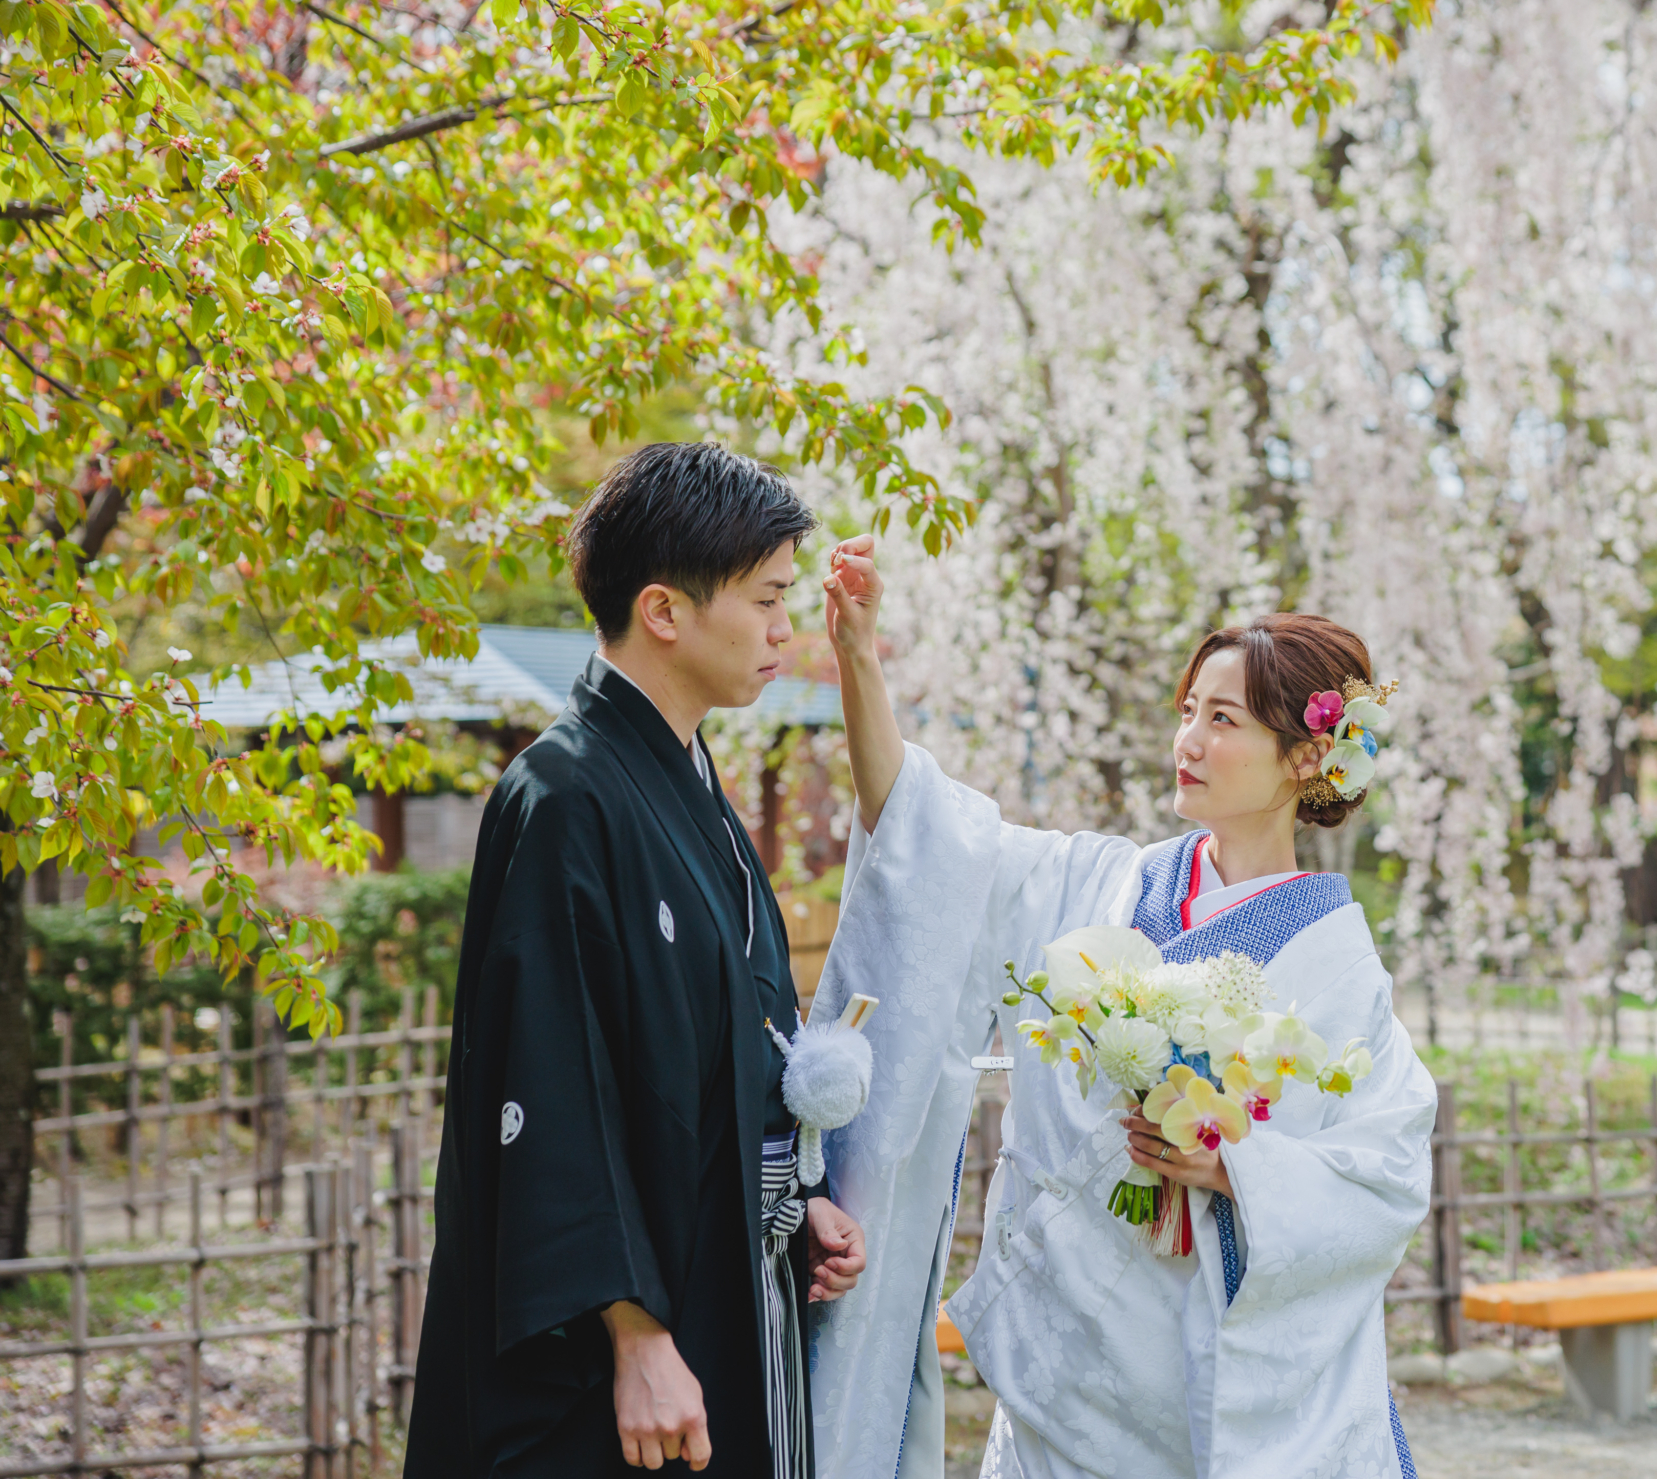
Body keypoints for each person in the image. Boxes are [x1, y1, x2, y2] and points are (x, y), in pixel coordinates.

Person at [802, 534, 1435, 1479]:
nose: (1189, 741)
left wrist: (1234, 1165)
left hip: (1195, 1374)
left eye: (1223, 719)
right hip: (1066, 1359)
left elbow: (1383, 1174)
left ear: (1307, 756)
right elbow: (925, 834)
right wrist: (857, 656)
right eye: (1189, 711)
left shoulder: (1337, 965)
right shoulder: (1101, 883)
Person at [408, 443, 867, 1478]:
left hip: (725, 1270)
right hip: (633, 1328)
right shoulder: (563, 795)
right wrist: (635, 1332)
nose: (785, 629)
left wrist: (797, 1195)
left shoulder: (691, 782)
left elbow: (740, 1038)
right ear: (664, 609)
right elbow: (551, 1079)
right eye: (766, 599)